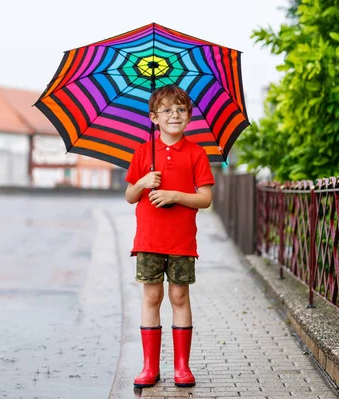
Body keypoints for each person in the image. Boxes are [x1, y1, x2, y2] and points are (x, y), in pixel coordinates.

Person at [125, 85, 215, 388]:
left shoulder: (196, 153)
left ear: (189, 115)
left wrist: (176, 195)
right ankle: (150, 367)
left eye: (180, 109)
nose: (174, 115)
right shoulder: (142, 152)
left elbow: (205, 199)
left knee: (179, 295)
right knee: (151, 296)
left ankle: (181, 367)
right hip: (149, 239)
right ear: (154, 117)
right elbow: (129, 195)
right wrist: (142, 181)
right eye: (166, 110)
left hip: (181, 240)